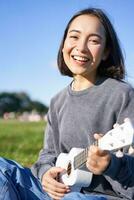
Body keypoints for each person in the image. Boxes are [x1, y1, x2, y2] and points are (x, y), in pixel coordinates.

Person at [0, 7, 134, 200]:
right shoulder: (57, 101)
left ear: (105, 52)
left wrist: (111, 166)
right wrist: (45, 173)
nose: (81, 47)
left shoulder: (122, 95)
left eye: (94, 40)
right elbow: (48, 154)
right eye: (74, 37)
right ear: (63, 45)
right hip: (56, 192)